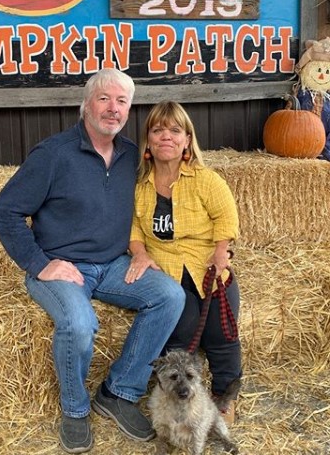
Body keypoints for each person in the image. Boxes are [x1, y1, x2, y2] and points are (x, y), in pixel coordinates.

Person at [0, 70, 185, 453]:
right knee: (79, 324)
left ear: (129, 109)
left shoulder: (132, 154)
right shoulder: (54, 154)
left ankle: (118, 391)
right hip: (60, 267)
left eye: (122, 102)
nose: (113, 109)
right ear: (87, 104)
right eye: (104, 99)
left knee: (170, 296)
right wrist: (40, 264)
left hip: (113, 264)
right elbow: (5, 211)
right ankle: (75, 409)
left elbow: (174, 180)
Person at [128, 101, 241, 424]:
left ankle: (225, 398)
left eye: (175, 130)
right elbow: (134, 228)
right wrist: (140, 252)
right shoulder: (140, 188)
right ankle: (181, 405)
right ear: (148, 141)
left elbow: (226, 216)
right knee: (180, 339)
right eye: (158, 130)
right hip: (167, 274)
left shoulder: (206, 180)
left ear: (187, 140)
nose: (167, 136)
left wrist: (222, 252)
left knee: (223, 334)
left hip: (206, 268)